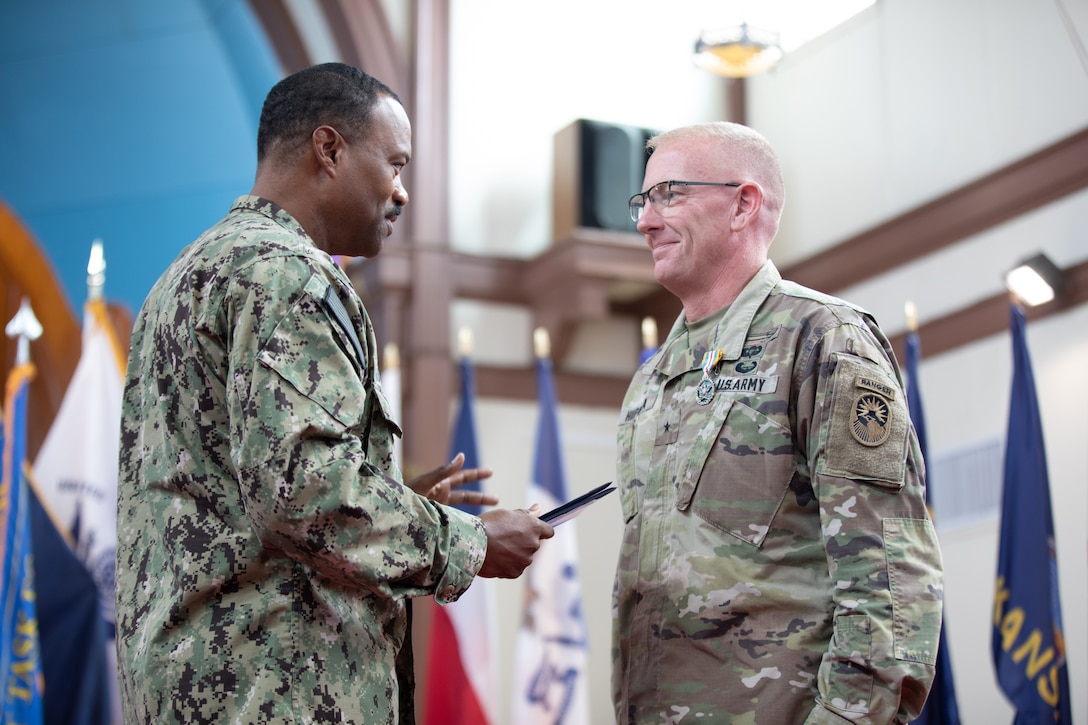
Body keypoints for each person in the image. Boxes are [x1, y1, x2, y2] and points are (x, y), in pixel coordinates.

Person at [115, 63, 554, 724]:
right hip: (279, 691)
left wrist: (390, 496)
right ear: (329, 149)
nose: (402, 193)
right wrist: (472, 542)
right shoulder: (288, 273)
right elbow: (305, 491)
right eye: (395, 164)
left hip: (196, 687)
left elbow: (230, 490)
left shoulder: (184, 277)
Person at [611, 122, 943, 724]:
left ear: (743, 204)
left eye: (669, 195)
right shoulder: (653, 381)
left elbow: (891, 583)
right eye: (643, 200)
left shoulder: (823, 340)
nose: (645, 222)